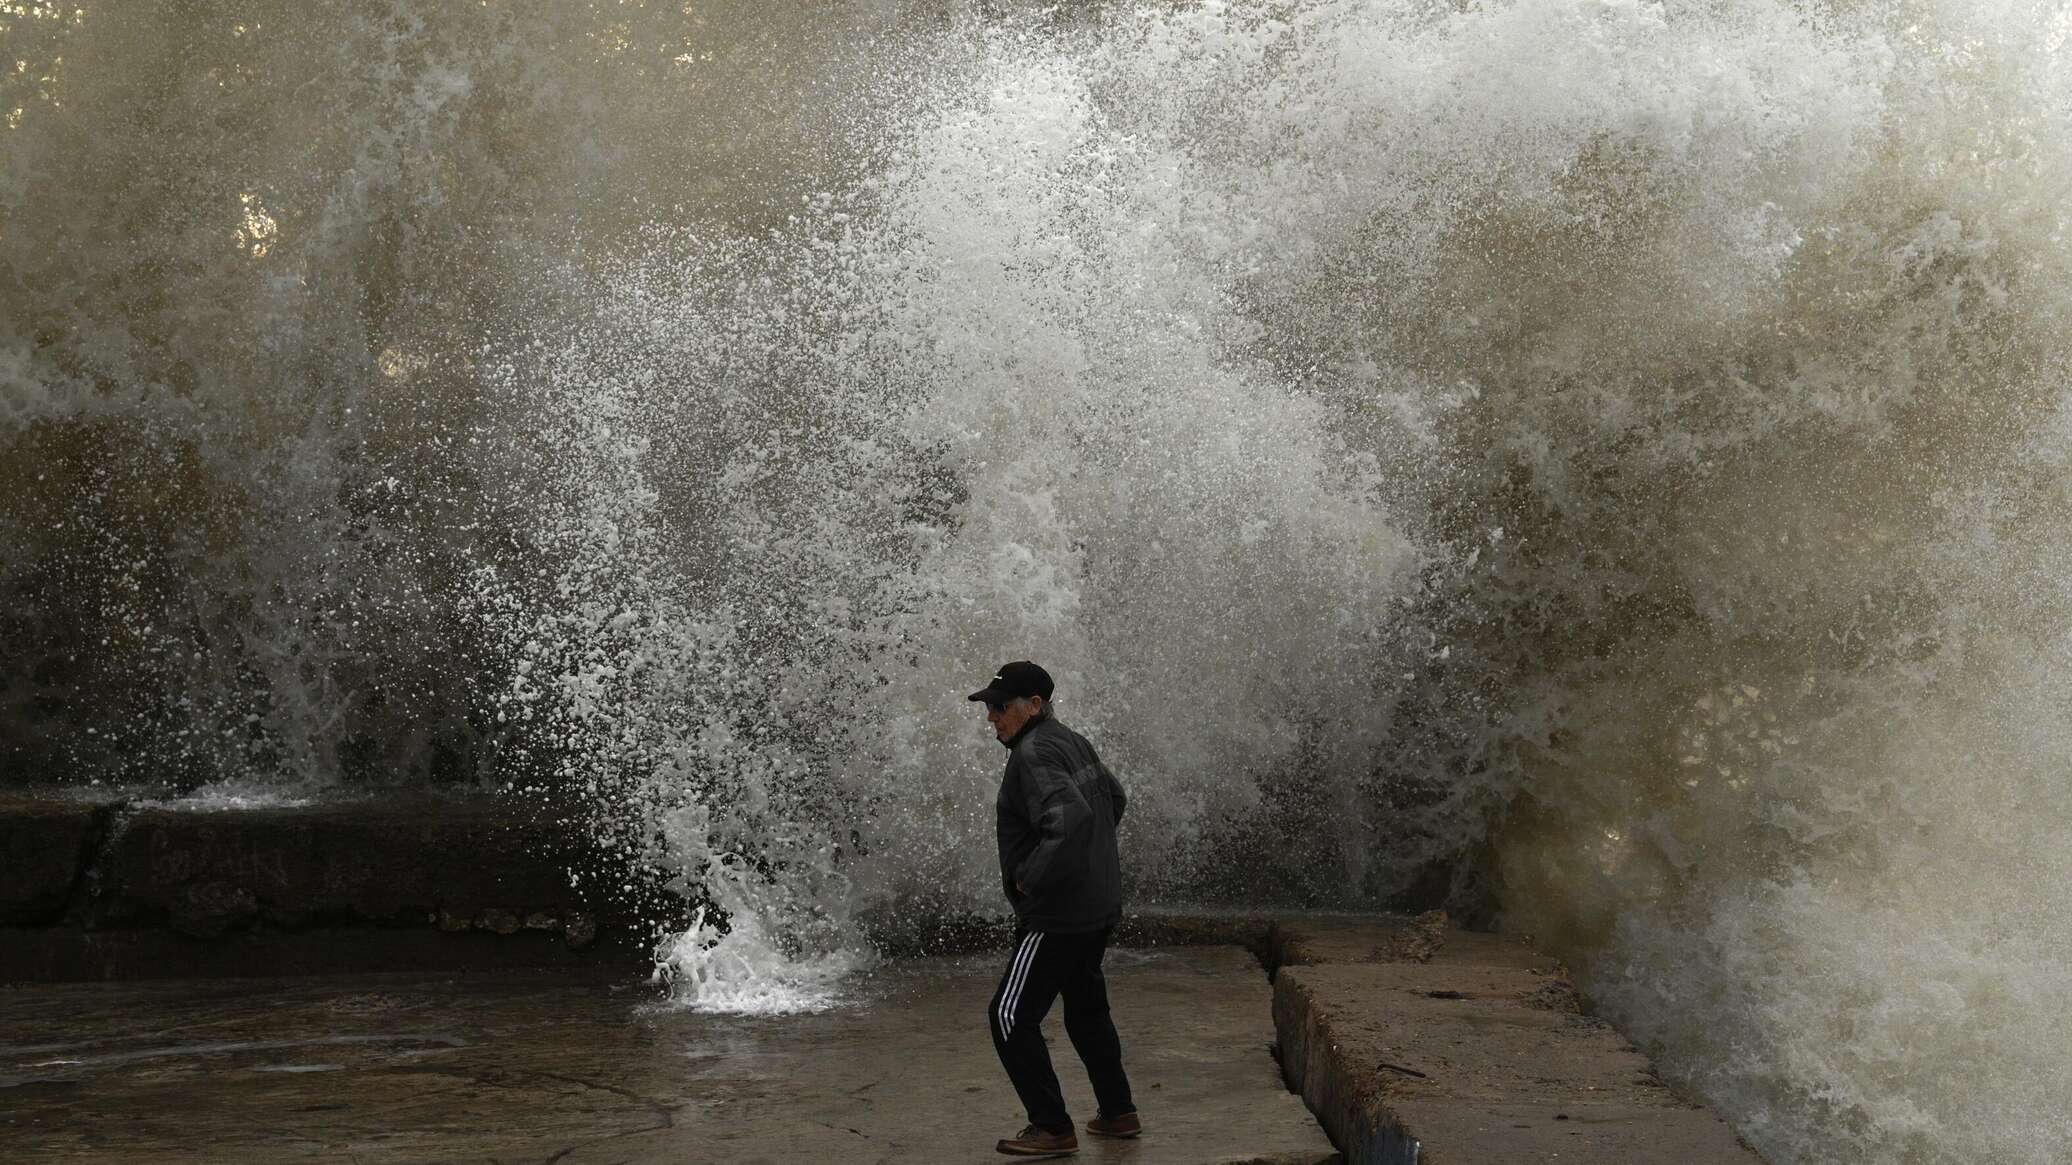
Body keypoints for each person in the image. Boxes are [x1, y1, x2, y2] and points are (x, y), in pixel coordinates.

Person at [968, 660, 1139, 1158]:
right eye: (989, 707)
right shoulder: (1071, 740)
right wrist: (1092, 863)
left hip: (1057, 914)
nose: (991, 718)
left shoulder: (1032, 752)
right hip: (1096, 906)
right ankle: (1118, 1112)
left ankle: (1051, 1127)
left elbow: (1068, 820)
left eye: (999, 707)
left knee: (1008, 1015)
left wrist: (1030, 878)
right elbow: (1115, 798)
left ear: (1034, 705)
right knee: (1086, 1011)